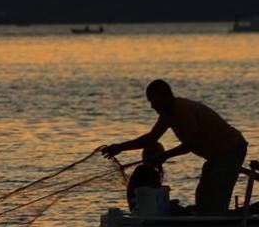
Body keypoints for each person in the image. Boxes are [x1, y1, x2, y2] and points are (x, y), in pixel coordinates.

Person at [102, 79, 247, 215]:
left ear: (164, 96)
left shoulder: (181, 110)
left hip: (231, 149)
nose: (152, 105)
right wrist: (120, 147)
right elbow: (151, 138)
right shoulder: (167, 114)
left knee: (216, 194)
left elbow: (192, 144)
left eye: (153, 100)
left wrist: (165, 156)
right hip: (216, 155)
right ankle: (207, 221)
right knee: (203, 194)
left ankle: (218, 226)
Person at [126, 142, 165, 211]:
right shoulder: (147, 172)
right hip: (145, 211)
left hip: (138, 209)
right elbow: (152, 198)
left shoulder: (140, 170)